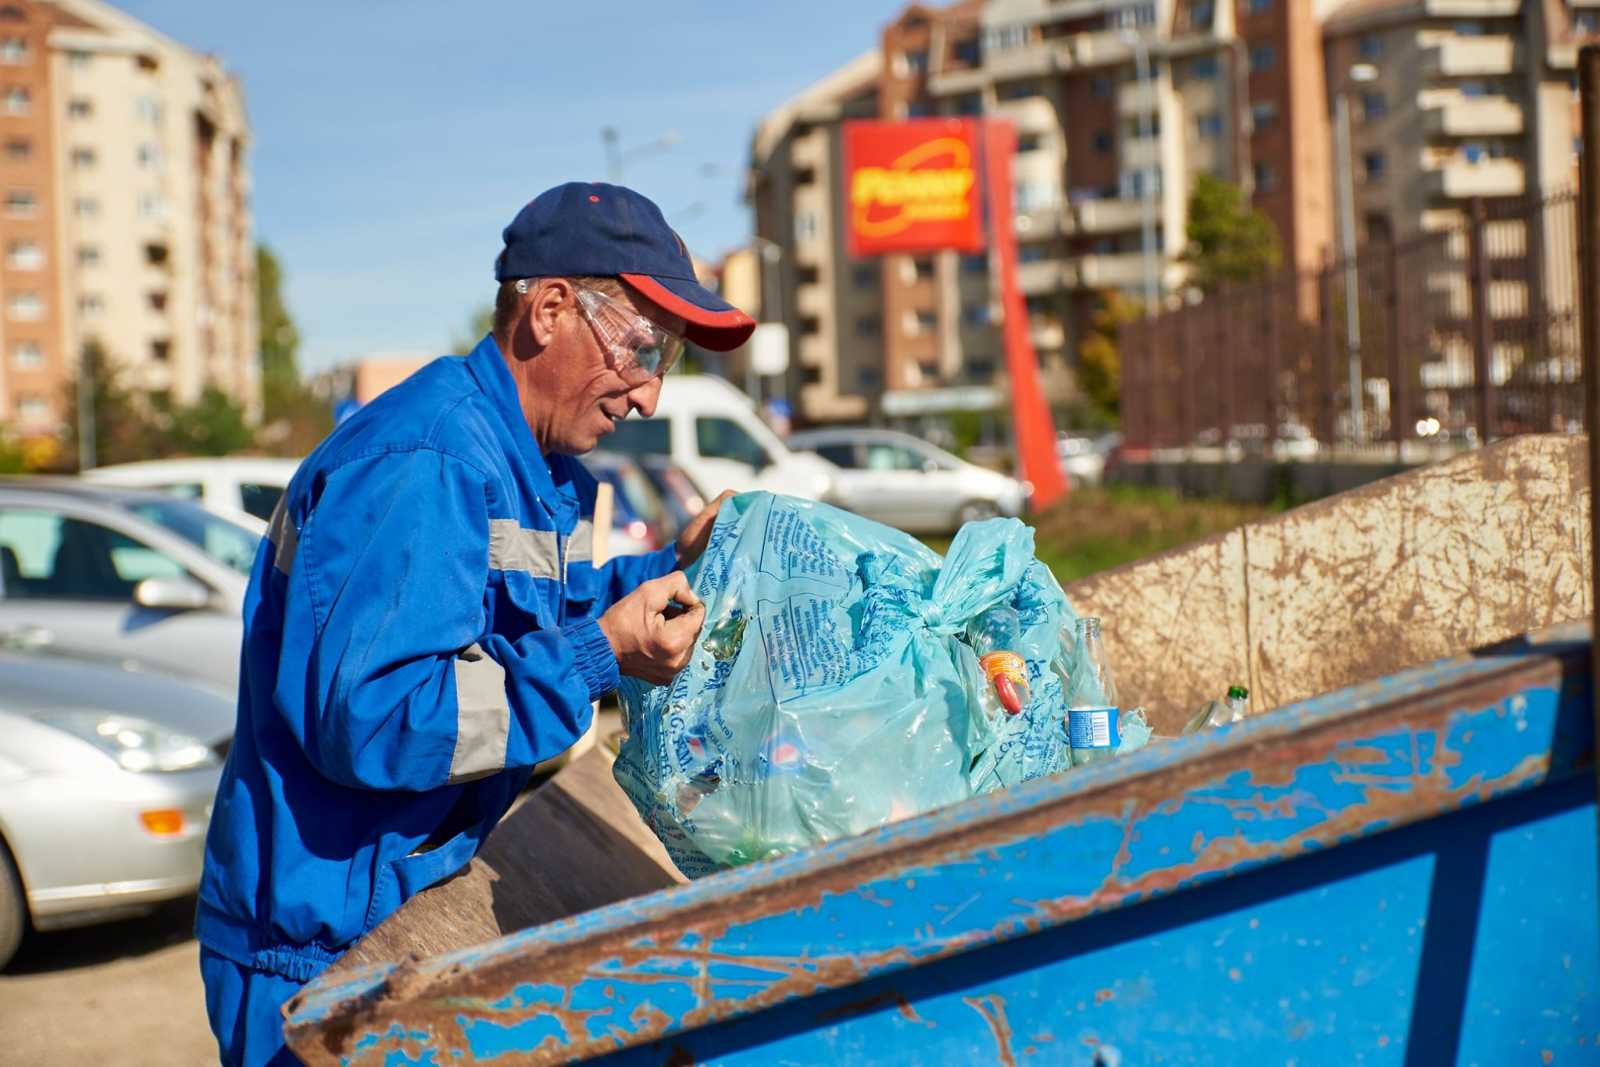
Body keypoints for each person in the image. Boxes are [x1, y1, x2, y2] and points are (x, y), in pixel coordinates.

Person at [195, 182, 756, 1066]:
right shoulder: (427, 461)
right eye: (645, 347)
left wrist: (689, 568)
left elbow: (550, 617)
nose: (649, 395)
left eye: (669, 359)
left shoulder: (523, 464)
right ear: (550, 309)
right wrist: (600, 656)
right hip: (317, 957)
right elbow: (378, 718)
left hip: (382, 922)